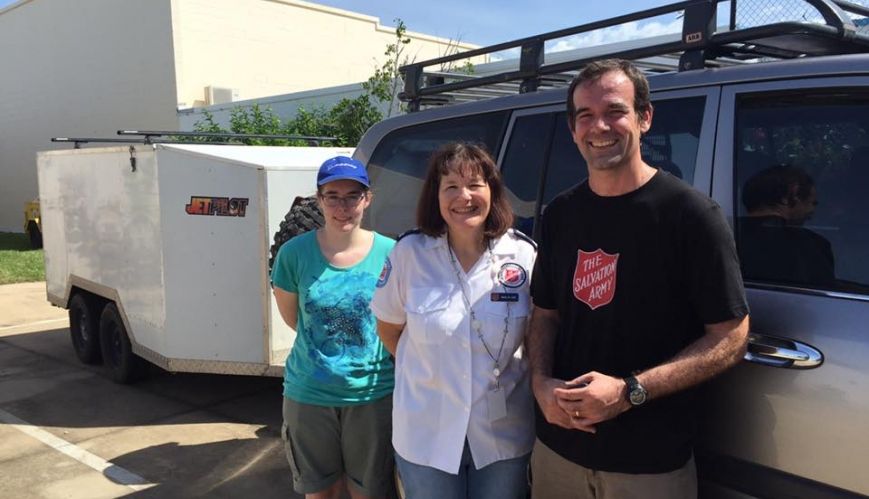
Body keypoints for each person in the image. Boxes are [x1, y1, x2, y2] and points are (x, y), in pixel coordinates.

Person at [526, 59, 750, 499]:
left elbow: (731, 336)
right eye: (585, 115)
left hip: (651, 463)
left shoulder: (691, 215)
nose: (599, 126)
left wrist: (630, 392)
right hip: (557, 452)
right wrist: (539, 382)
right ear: (572, 129)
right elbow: (545, 314)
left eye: (615, 111)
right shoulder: (560, 215)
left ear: (644, 118)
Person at [371, 143, 536, 499]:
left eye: (476, 184)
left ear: (492, 190)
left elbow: (537, 338)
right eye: (451, 187)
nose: (465, 196)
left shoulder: (523, 255)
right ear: (436, 195)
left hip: (502, 435)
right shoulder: (409, 255)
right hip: (425, 432)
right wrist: (434, 371)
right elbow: (389, 329)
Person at [271, 156, 395, 499]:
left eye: (352, 196)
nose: (343, 206)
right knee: (320, 493)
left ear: (367, 199)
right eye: (333, 196)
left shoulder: (393, 253)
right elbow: (293, 318)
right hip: (309, 395)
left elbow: (397, 323)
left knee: (369, 493)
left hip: (372, 395)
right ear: (320, 199)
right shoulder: (293, 254)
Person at [739, 165, 835, 286]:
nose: (811, 213)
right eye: (813, 203)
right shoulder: (813, 247)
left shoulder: (722, 237)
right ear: (793, 194)